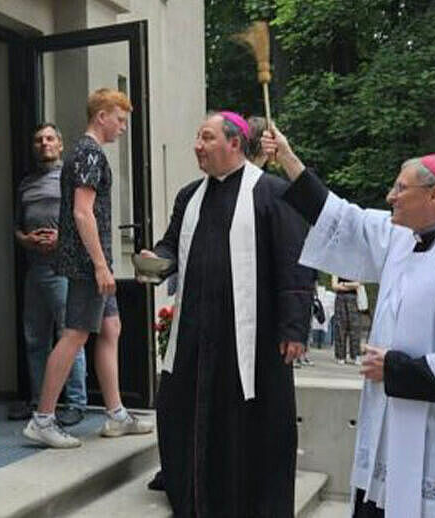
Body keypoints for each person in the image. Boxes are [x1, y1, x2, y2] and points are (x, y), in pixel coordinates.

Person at [266, 125, 435, 517]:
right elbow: (340, 217)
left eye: (401, 188)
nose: (390, 196)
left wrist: (395, 368)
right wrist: (287, 158)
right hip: (393, 434)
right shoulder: (401, 237)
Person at [140, 111, 313, 517]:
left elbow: (295, 263)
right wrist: (157, 260)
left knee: (249, 425)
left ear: (234, 143)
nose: (197, 146)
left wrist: (294, 327)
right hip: (196, 335)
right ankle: (195, 500)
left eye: (206, 137)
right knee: (183, 412)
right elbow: (171, 245)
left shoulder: (273, 193)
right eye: (198, 137)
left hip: (254, 339)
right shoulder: (189, 196)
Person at [22, 88, 153, 448]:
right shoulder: (89, 153)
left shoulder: (84, 153)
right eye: (120, 119)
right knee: (75, 335)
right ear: (102, 116)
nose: (123, 127)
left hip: (92, 261)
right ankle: (43, 419)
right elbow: (82, 213)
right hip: (86, 264)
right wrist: (99, 265)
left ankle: (116, 414)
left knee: (111, 327)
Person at [10, 123, 86, 426]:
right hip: (35, 269)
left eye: (50, 138)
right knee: (34, 339)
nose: (44, 143)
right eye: (39, 140)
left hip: (63, 268)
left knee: (69, 335)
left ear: (60, 144)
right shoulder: (26, 185)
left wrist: (61, 238)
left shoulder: (71, 178)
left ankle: (76, 403)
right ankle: (40, 402)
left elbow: (86, 218)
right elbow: (16, 228)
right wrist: (26, 239)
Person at [331, 275, 364, 364]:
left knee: (355, 327)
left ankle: (356, 355)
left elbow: (358, 284)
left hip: (354, 298)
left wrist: (343, 284)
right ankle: (341, 356)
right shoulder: (337, 269)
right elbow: (334, 286)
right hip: (340, 298)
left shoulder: (356, 269)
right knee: (340, 327)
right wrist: (350, 286)